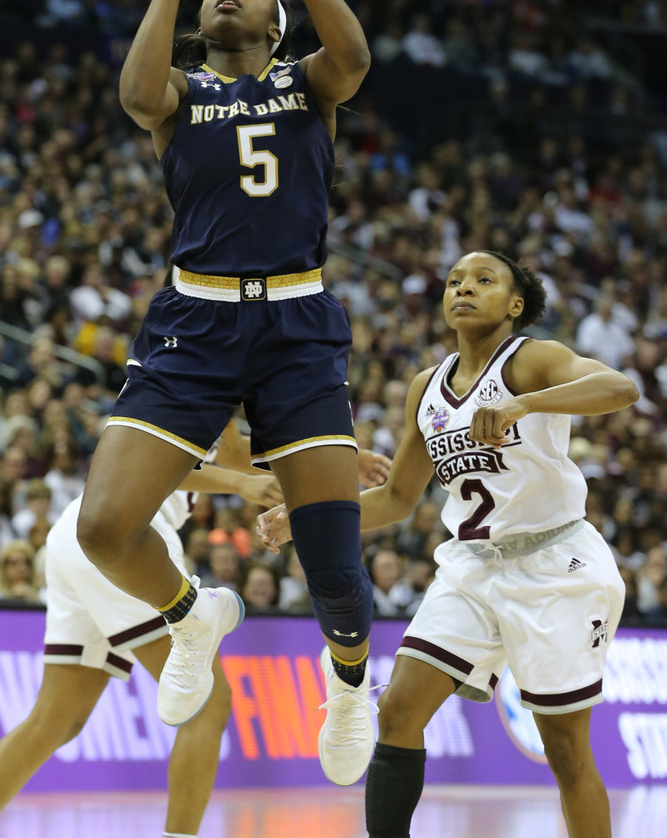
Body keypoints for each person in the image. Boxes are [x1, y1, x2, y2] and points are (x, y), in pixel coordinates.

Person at [76, 0, 376, 786]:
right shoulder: (180, 94)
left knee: (331, 563)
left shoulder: (308, 85)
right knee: (103, 528)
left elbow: (355, 57)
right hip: (194, 322)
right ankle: (189, 614)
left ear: (277, 20)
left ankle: (351, 683)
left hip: (296, 323)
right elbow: (134, 95)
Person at [259, 250, 639, 834]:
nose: (464, 289)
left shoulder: (534, 359)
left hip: (554, 565)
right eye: (455, 281)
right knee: (398, 711)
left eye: (484, 281)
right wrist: (308, 515)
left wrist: (525, 404)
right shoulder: (425, 388)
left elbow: (620, 388)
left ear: (515, 304)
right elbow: (398, 499)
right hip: (469, 567)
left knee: (565, 753)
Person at [0, 435, 284, 838]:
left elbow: (243, 452)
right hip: (129, 532)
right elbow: (154, 464)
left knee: (56, 720)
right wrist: (240, 484)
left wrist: (346, 462)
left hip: (80, 529)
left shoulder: (222, 397)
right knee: (207, 704)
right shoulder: (186, 378)